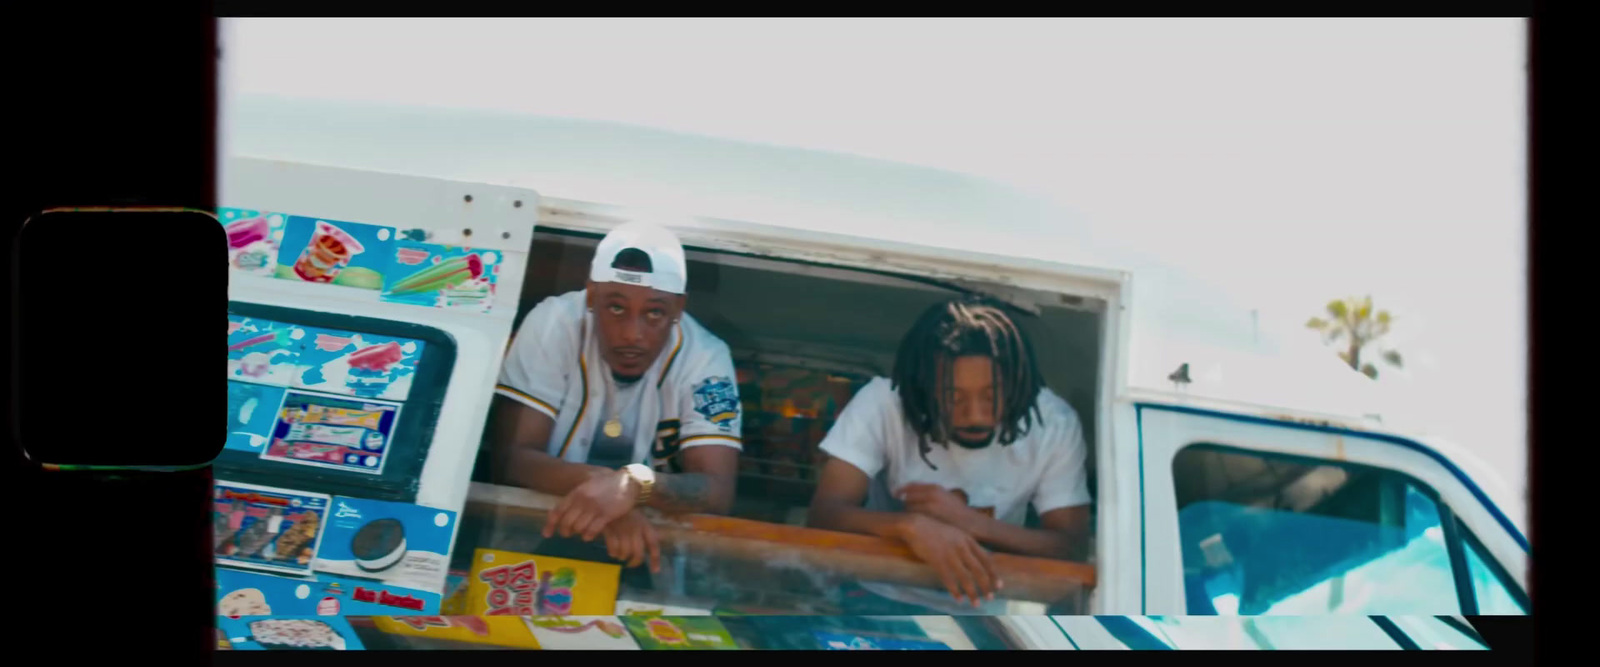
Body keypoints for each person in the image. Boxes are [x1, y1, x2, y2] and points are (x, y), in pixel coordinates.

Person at [808, 295, 1091, 613]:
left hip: (984, 608)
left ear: (1018, 385)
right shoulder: (882, 402)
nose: (976, 416)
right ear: (922, 388)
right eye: (952, 397)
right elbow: (824, 515)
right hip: (877, 595)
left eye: (991, 396)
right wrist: (911, 527)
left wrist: (968, 523)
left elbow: (1071, 547)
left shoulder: (1053, 422)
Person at [489, 221, 743, 574]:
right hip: (529, 545)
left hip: (649, 556)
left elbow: (717, 491)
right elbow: (511, 460)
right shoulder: (554, 322)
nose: (632, 334)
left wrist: (635, 485)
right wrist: (609, 492)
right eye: (616, 308)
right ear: (592, 297)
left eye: (654, 312)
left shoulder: (705, 358)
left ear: (678, 309)